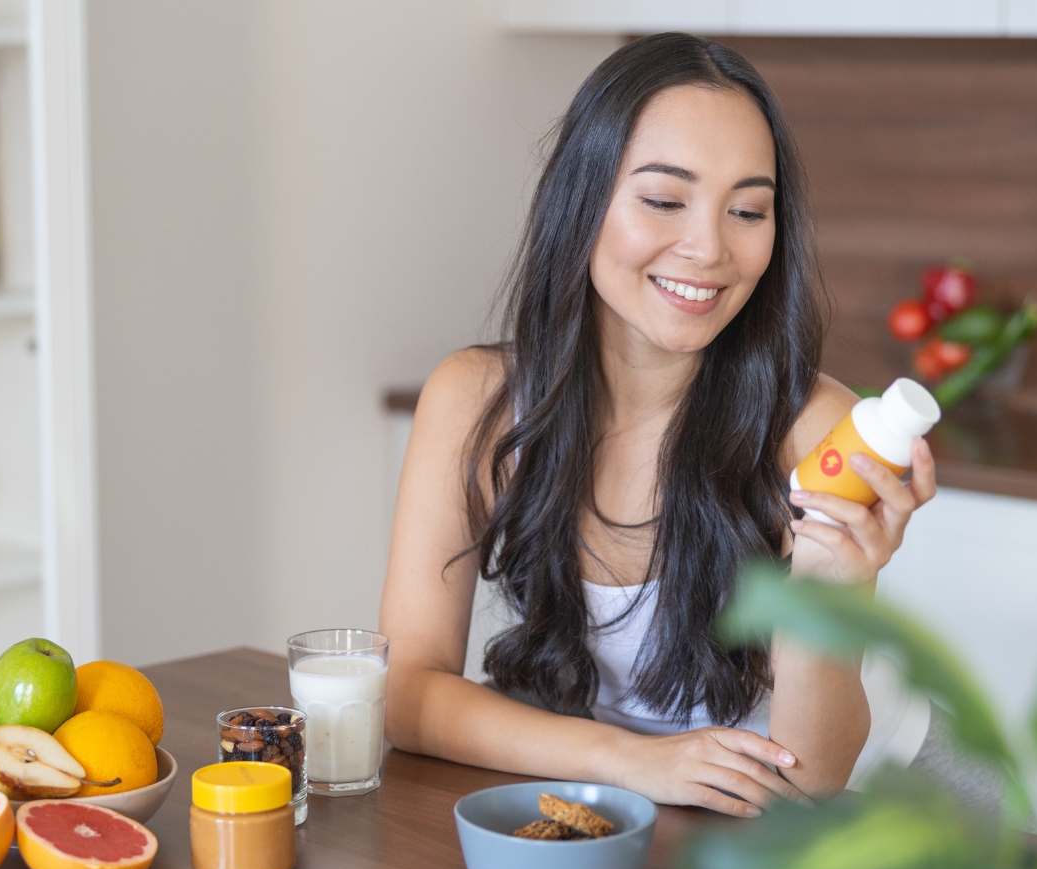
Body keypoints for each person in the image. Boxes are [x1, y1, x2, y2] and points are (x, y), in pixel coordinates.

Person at [378, 33, 936, 817]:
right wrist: (630, 762)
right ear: (583, 199)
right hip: (653, 805)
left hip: (879, 813)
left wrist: (827, 586)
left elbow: (811, 775)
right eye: (664, 200)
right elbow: (405, 696)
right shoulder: (475, 402)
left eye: (746, 210)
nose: (708, 248)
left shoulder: (817, 432)